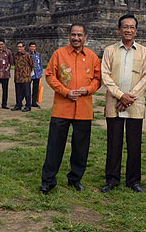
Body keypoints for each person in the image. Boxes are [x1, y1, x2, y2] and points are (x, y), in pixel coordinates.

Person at [40, 24, 102, 194]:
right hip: (62, 108)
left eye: (80, 35)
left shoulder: (92, 57)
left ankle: (75, 178)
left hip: (84, 108)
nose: (76, 38)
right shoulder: (59, 54)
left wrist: (87, 90)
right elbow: (50, 75)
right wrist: (65, 92)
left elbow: (98, 79)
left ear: (85, 37)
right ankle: (48, 180)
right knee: (54, 146)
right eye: (73, 35)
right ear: (69, 36)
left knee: (81, 147)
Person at [100, 14, 146, 193]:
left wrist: (128, 98)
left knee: (134, 143)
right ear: (119, 30)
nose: (128, 30)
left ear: (136, 30)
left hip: (135, 105)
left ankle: (133, 180)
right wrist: (121, 95)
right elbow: (105, 76)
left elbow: (145, 78)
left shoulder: (144, 52)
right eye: (125, 27)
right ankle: (112, 179)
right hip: (114, 102)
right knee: (113, 143)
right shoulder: (109, 51)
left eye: (131, 27)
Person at [12, 41, 34, 112]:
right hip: (18, 77)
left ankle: (28, 106)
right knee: (18, 92)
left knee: (27, 92)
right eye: (18, 47)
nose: (19, 48)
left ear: (24, 47)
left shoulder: (27, 55)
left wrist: (27, 73)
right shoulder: (15, 55)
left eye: (20, 47)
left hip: (25, 77)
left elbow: (32, 65)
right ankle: (18, 105)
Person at [28, 42, 43, 108]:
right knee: (26, 89)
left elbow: (40, 63)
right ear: (29, 47)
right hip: (29, 73)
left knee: (35, 89)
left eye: (34, 47)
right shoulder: (27, 55)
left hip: (37, 74)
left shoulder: (38, 55)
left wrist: (41, 72)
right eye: (31, 46)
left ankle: (34, 102)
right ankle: (24, 101)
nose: (32, 48)